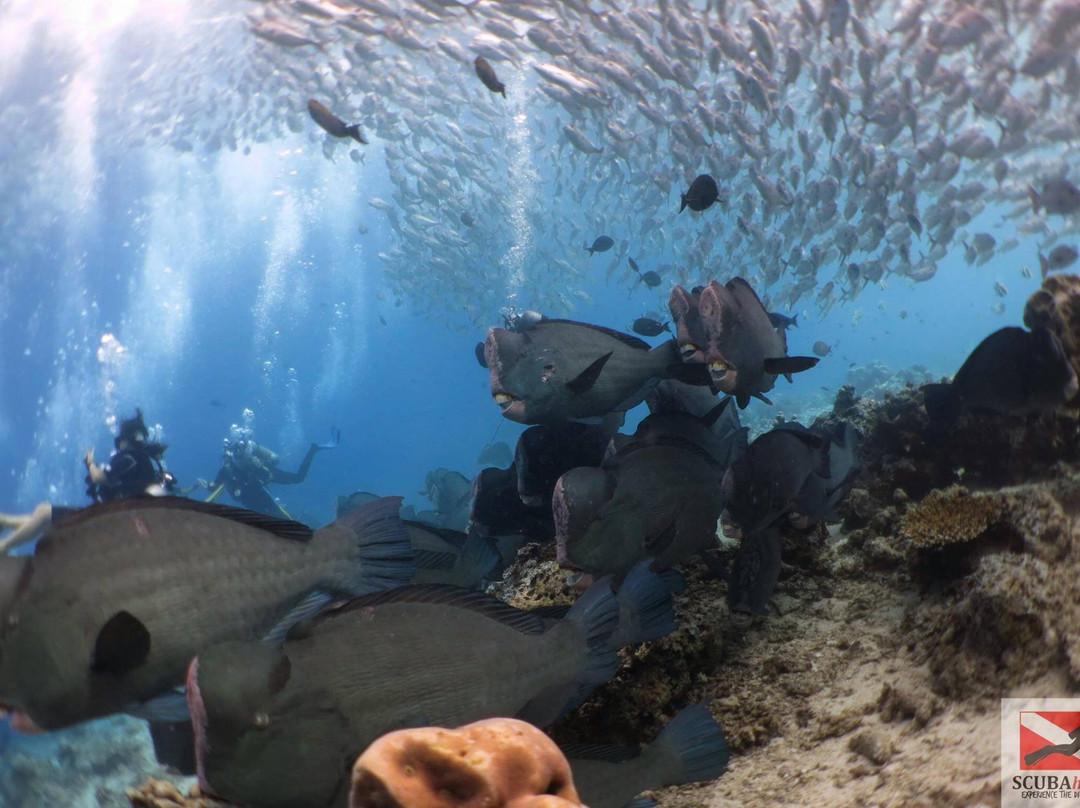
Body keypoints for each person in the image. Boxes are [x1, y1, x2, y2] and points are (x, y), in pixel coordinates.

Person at [0, 408, 176, 554]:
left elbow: (99, 477)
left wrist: (90, 463)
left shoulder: (130, 458)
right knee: (45, 519)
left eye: (119, 441)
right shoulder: (145, 464)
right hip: (119, 526)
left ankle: (3, 548)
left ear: (127, 439)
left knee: (45, 513)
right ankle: (5, 522)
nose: (118, 446)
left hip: (114, 525)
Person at [201, 425, 340, 518]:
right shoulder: (228, 469)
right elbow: (213, 487)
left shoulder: (228, 469)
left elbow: (212, 487)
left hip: (259, 483)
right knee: (276, 510)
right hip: (258, 485)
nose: (243, 460)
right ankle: (313, 450)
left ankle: (313, 450)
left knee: (273, 512)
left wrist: (205, 485)